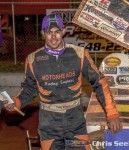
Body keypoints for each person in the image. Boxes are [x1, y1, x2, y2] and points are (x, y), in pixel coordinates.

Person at [4, 14, 122, 150]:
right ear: (43, 33)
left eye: (57, 32)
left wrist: (112, 114)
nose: (53, 37)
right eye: (49, 32)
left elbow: (100, 82)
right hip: (49, 123)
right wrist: (16, 102)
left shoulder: (79, 54)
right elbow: (29, 90)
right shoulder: (33, 59)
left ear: (63, 32)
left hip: (75, 121)